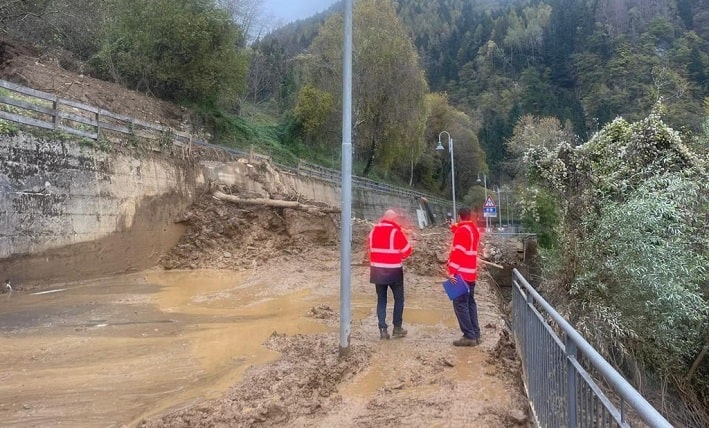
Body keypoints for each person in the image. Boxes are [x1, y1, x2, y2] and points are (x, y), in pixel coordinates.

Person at [368, 209, 412, 340]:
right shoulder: (396, 232)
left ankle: (383, 330)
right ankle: (397, 328)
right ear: (393, 219)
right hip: (394, 271)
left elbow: (370, 247)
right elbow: (407, 251)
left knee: (381, 300)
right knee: (399, 299)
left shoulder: (374, 231)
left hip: (377, 271)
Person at [446, 207, 481, 347]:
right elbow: (461, 234)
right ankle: (476, 334)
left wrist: (451, 272)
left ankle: (469, 336)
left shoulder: (462, 231)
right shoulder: (473, 230)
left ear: (459, 217)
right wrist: (456, 227)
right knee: (470, 303)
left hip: (461, 273)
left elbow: (458, 253)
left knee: (460, 304)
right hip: (471, 273)